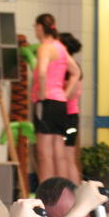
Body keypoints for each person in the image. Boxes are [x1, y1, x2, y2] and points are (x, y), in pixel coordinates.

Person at [32, 13, 80, 183]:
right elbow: (76, 72)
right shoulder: (60, 47)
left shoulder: (44, 48)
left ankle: (47, 195)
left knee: (44, 153)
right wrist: (64, 95)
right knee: (59, 151)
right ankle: (62, 193)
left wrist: (43, 92)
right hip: (60, 103)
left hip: (47, 102)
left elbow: (43, 72)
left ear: (39, 28)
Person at [59, 32, 84, 184]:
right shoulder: (65, 67)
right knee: (63, 156)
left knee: (68, 157)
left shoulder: (72, 69)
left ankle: (75, 192)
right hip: (65, 116)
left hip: (69, 116)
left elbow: (73, 92)